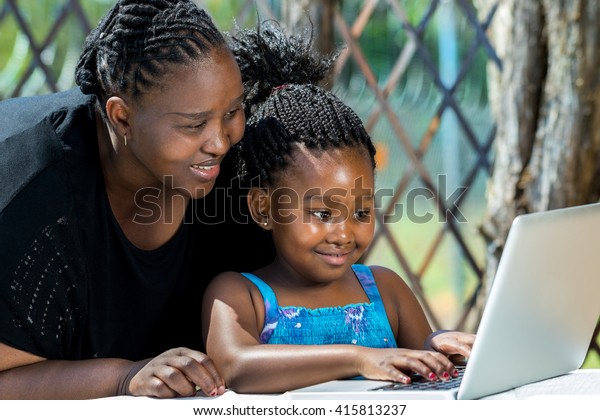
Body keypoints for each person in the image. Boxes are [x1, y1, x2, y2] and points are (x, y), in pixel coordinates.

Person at [0, 0, 274, 399]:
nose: (220, 141)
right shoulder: (30, 195)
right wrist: (124, 378)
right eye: (193, 124)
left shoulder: (240, 170)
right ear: (121, 117)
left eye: (233, 111)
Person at [201, 21, 476, 394]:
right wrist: (358, 358)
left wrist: (438, 347)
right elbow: (235, 366)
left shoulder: (386, 290)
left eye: (362, 212)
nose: (344, 233)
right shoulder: (240, 295)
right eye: (323, 214)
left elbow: (417, 359)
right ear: (265, 209)